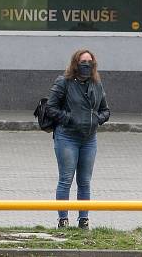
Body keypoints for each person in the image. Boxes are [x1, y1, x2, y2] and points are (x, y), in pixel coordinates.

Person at [45, 49, 110, 229]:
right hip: (67, 137)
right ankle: (63, 219)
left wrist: (99, 118)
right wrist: (69, 118)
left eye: (89, 61)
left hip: (89, 139)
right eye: (83, 61)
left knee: (85, 181)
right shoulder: (63, 82)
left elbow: (106, 109)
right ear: (75, 63)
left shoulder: (96, 84)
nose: (86, 65)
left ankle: (84, 219)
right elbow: (51, 107)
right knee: (66, 178)